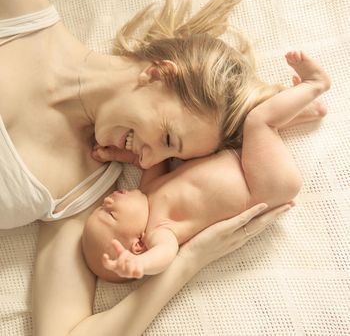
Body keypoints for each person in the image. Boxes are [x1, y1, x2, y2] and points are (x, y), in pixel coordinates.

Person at [0, 0, 325, 335]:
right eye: (168, 138)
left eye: (172, 157)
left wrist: (188, 261)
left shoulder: (86, 197)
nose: (148, 158)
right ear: (159, 74)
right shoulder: (21, 12)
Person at [82, 51, 331, 281]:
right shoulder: (160, 230)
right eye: (110, 213)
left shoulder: (148, 189)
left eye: (100, 207)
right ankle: (316, 83)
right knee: (258, 122)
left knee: (243, 127)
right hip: (262, 186)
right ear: (137, 244)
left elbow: (143, 158)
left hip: (245, 162)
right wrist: (141, 265)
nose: (108, 201)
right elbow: (164, 256)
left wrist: (117, 153)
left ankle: (309, 108)